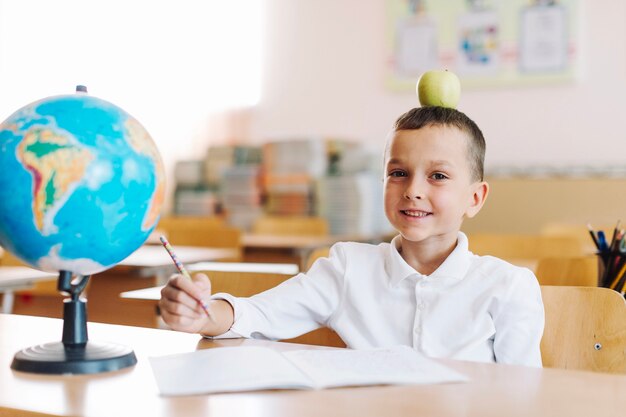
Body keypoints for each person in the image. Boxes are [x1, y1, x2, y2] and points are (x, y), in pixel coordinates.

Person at [159, 106, 544, 367]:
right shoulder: (348, 268)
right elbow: (259, 315)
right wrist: (203, 315)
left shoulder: (508, 286)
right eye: (398, 173)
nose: (413, 190)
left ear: (475, 198)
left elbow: (523, 395)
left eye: (438, 176)